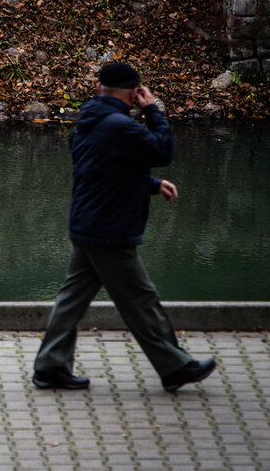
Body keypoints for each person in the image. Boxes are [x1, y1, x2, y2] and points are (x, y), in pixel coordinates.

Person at [32, 62, 215, 393]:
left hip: (89, 223)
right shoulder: (119, 125)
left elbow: (104, 168)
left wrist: (151, 183)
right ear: (134, 92)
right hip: (108, 230)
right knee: (141, 300)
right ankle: (175, 367)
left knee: (72, 299)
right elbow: (163, 150)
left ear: (99, 88)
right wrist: (153, 111)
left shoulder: (90, 119)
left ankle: (50, 367)